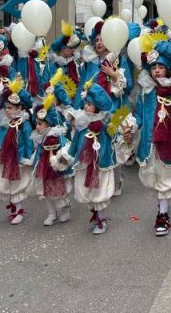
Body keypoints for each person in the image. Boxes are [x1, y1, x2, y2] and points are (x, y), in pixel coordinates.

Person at [122, 39, 171, 237]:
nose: (157, 70)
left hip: (168, 142)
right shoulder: (146, 92)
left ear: (168, 69)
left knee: (165, 179)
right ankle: (162, 206)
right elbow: (140, 115)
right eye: (154, 67)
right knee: (155, 178)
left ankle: (162, 214)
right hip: (150, 144)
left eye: (161, 67)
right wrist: (131, 127)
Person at [56, 84, 117, 235]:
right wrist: (67, 156)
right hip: (84, 163)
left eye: (89, 104)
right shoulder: (81, 122)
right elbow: (76, 141)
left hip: (101, 163)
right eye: (86, 103)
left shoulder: (106, 122)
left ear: (97, 107)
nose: (86, 107)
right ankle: (96, 214)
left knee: (99, 192)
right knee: (87, 192)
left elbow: (116, 134)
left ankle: (101, 219)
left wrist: (124, 130)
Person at [0, 78, 35, 225]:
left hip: (18, 159)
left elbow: (28, 141)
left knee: (17, 184)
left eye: (11, 108)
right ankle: (13, 209)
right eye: (6, 107)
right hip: (6, 158)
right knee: (6, 183)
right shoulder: (5, 124)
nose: (7, 110)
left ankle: (19, 210)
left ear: (20, 108)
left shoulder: (24, 124)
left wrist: (27, 157)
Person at [30, 100, 72, 227]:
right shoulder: (40, 136)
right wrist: (34, 161)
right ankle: (51, 213)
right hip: (43, 168)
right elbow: (38, 152)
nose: (37, 127)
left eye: (40, 124)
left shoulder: (55, 135)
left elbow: (64, 151)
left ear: (48, 124)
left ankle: (65, 208)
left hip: (55, 169)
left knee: (58, 191)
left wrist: (62, 165)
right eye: (36, 123)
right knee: (45, 192)